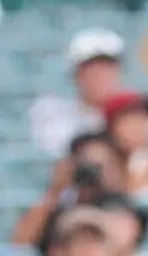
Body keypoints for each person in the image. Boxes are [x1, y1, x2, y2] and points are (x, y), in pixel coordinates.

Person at [28, 29, 124, 159]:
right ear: (76, 74)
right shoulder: (53, 114)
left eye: (107, 67)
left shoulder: (140, 115)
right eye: (92, 68)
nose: (100, 76)